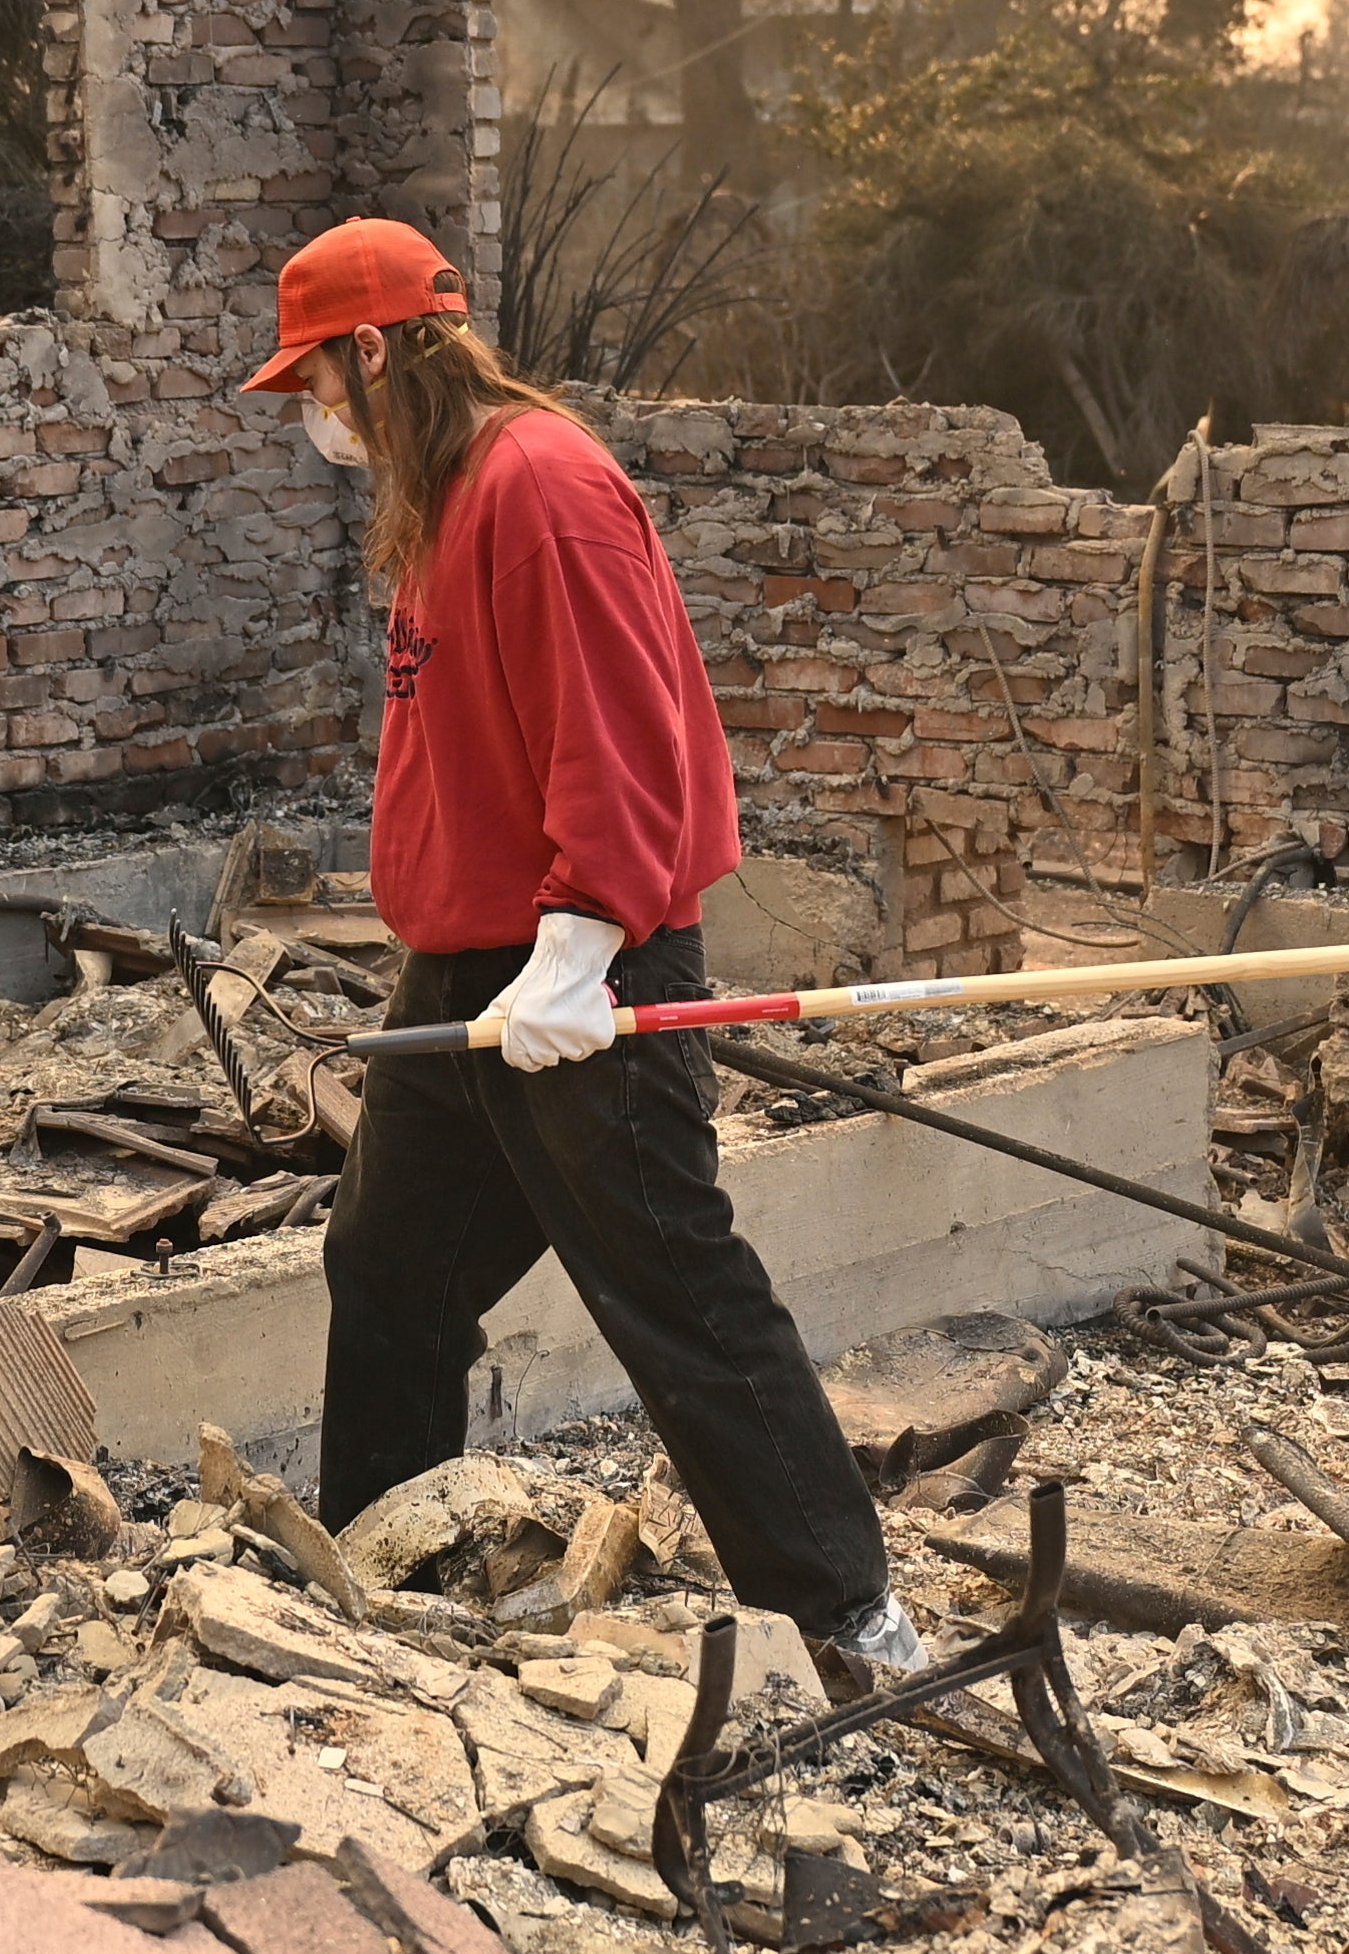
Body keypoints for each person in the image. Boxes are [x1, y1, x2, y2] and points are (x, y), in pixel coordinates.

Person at [242, 215, 920, 1672]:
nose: (310, 415)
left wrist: (581, 944)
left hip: (581, 960)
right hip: (474, 964)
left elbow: (619, 731)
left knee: (668, 1280)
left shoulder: (540, 485)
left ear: (374, 352)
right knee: (389, 1265)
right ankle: (389, 1568)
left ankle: (848, 1610)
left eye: (314, 381)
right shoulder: (439, 493)